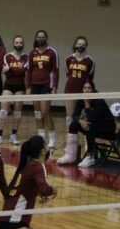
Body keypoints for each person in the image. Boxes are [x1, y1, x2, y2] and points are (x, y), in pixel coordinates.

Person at [56, 36, 96, 164]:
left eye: (83, 44)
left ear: (86, 46)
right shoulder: (68, 59)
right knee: (70, 118)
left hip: (83, 91)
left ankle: (86, 145)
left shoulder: (90, 61)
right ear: (75, 45)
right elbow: (68, 74)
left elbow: (90, 78)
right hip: (70, 90)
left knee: (84, 118)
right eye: (79, 44)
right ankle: (71, 146)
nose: (81, 46)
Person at [61, 81, 113, 168]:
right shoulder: (82, 99)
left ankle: (90, 157)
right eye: (84, 88)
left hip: (107, 128)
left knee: (89, 126)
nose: (86, 90)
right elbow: (75, 115)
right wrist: (80, 121)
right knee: (73, 125)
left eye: (89, 88)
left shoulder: (99, 101)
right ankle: (71, 155)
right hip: (94, 126)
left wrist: (87, 104)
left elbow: (92, 118)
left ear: (93, 90)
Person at [25, 30, 59, 149]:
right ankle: (41, 135)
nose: (41, 38)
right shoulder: (32, 53)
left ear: (46, 38)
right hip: (35, 85)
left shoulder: (51, 52)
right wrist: (28, 87)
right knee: (37, 112)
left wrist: (54, 87)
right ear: (36, 38)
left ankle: (52, 137)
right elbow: (29, 71)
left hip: (46, 85)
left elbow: (55, 70)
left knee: (45, 111)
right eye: (38, 37)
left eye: (43, 37)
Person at [0, 35, 28, 145]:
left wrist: (11, 69)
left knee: (17, 112)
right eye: (16, 42)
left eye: (20, 43)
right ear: (13, 44)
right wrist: (16, 70)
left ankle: (13, 135)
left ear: (23, 44)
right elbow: (5, 71)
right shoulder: (7, 56)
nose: (18, 44)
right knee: (3, 110)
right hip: (8, 85)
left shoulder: (26, 57)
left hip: (20, 86)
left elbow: (23, 70)